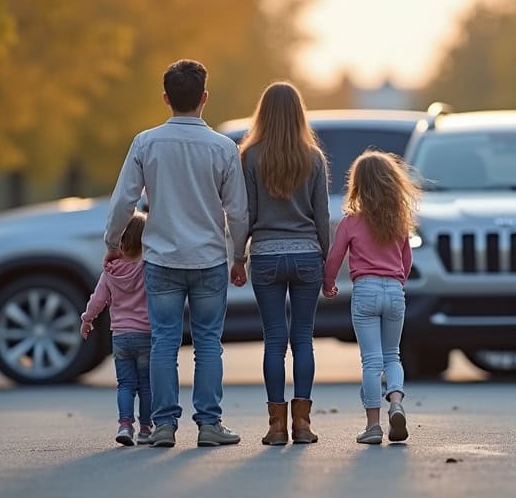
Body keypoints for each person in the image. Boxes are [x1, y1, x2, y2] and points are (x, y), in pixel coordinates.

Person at [103, 59, 249, 448]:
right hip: (208, 260)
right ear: (205, 98)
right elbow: (237, 210)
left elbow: (124, 200)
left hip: (162, 258)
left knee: (163, 342)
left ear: (165, 98)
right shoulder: (223, 148)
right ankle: (209, 424)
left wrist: (113, 242)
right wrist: (239, 256)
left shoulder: (145, 143)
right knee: (207, 344)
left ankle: (164, 425)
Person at [232, 82, 330, 445]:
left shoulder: (250, 157)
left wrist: (239, 257)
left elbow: (245, 213)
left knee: (274, 340)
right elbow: (322, 217)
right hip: (306, 256)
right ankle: (303, 425)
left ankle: (276, 427)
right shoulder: (314, 158)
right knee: (303, 338)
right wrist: (327, 263)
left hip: (266, 256)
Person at [322, 150, 421, 444]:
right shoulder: (399, 222)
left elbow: (335, 257)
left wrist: (328, 284)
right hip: (394, 291)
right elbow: (407, 260)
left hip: (365, 290)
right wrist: (397, 282)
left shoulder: (351, 222)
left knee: (371, 361)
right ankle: (396, 402)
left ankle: (373, 426)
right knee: (393, 355)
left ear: (357, 185)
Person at [80, 212, 151, 446]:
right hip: (145, 335)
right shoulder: (147, 268)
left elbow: (97, 300)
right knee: (146, 385)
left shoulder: (109, 272)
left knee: (126, 385)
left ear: (120, 241)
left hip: (120, 337)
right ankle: (146, 429)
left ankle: (124, 426)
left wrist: (87, 319)